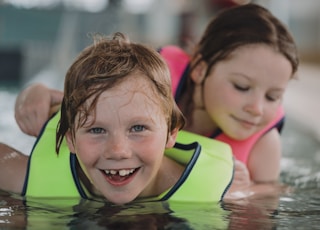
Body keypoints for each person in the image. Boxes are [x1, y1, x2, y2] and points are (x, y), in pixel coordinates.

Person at [14, 3, 299, 198]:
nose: (257, 108)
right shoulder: (159, 78)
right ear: (199, 69)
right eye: (241, 86)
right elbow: (88, 103)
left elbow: (273, 190)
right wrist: (34, 92)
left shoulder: (264, 142)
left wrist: (243, 189)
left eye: (273, 96)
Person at [0, 32, 233, 205]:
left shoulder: (217, 191)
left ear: (172, 133)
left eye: (138, 128)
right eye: (97, 130)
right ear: (70, 138)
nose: (118, 150)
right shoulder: (31, 177)